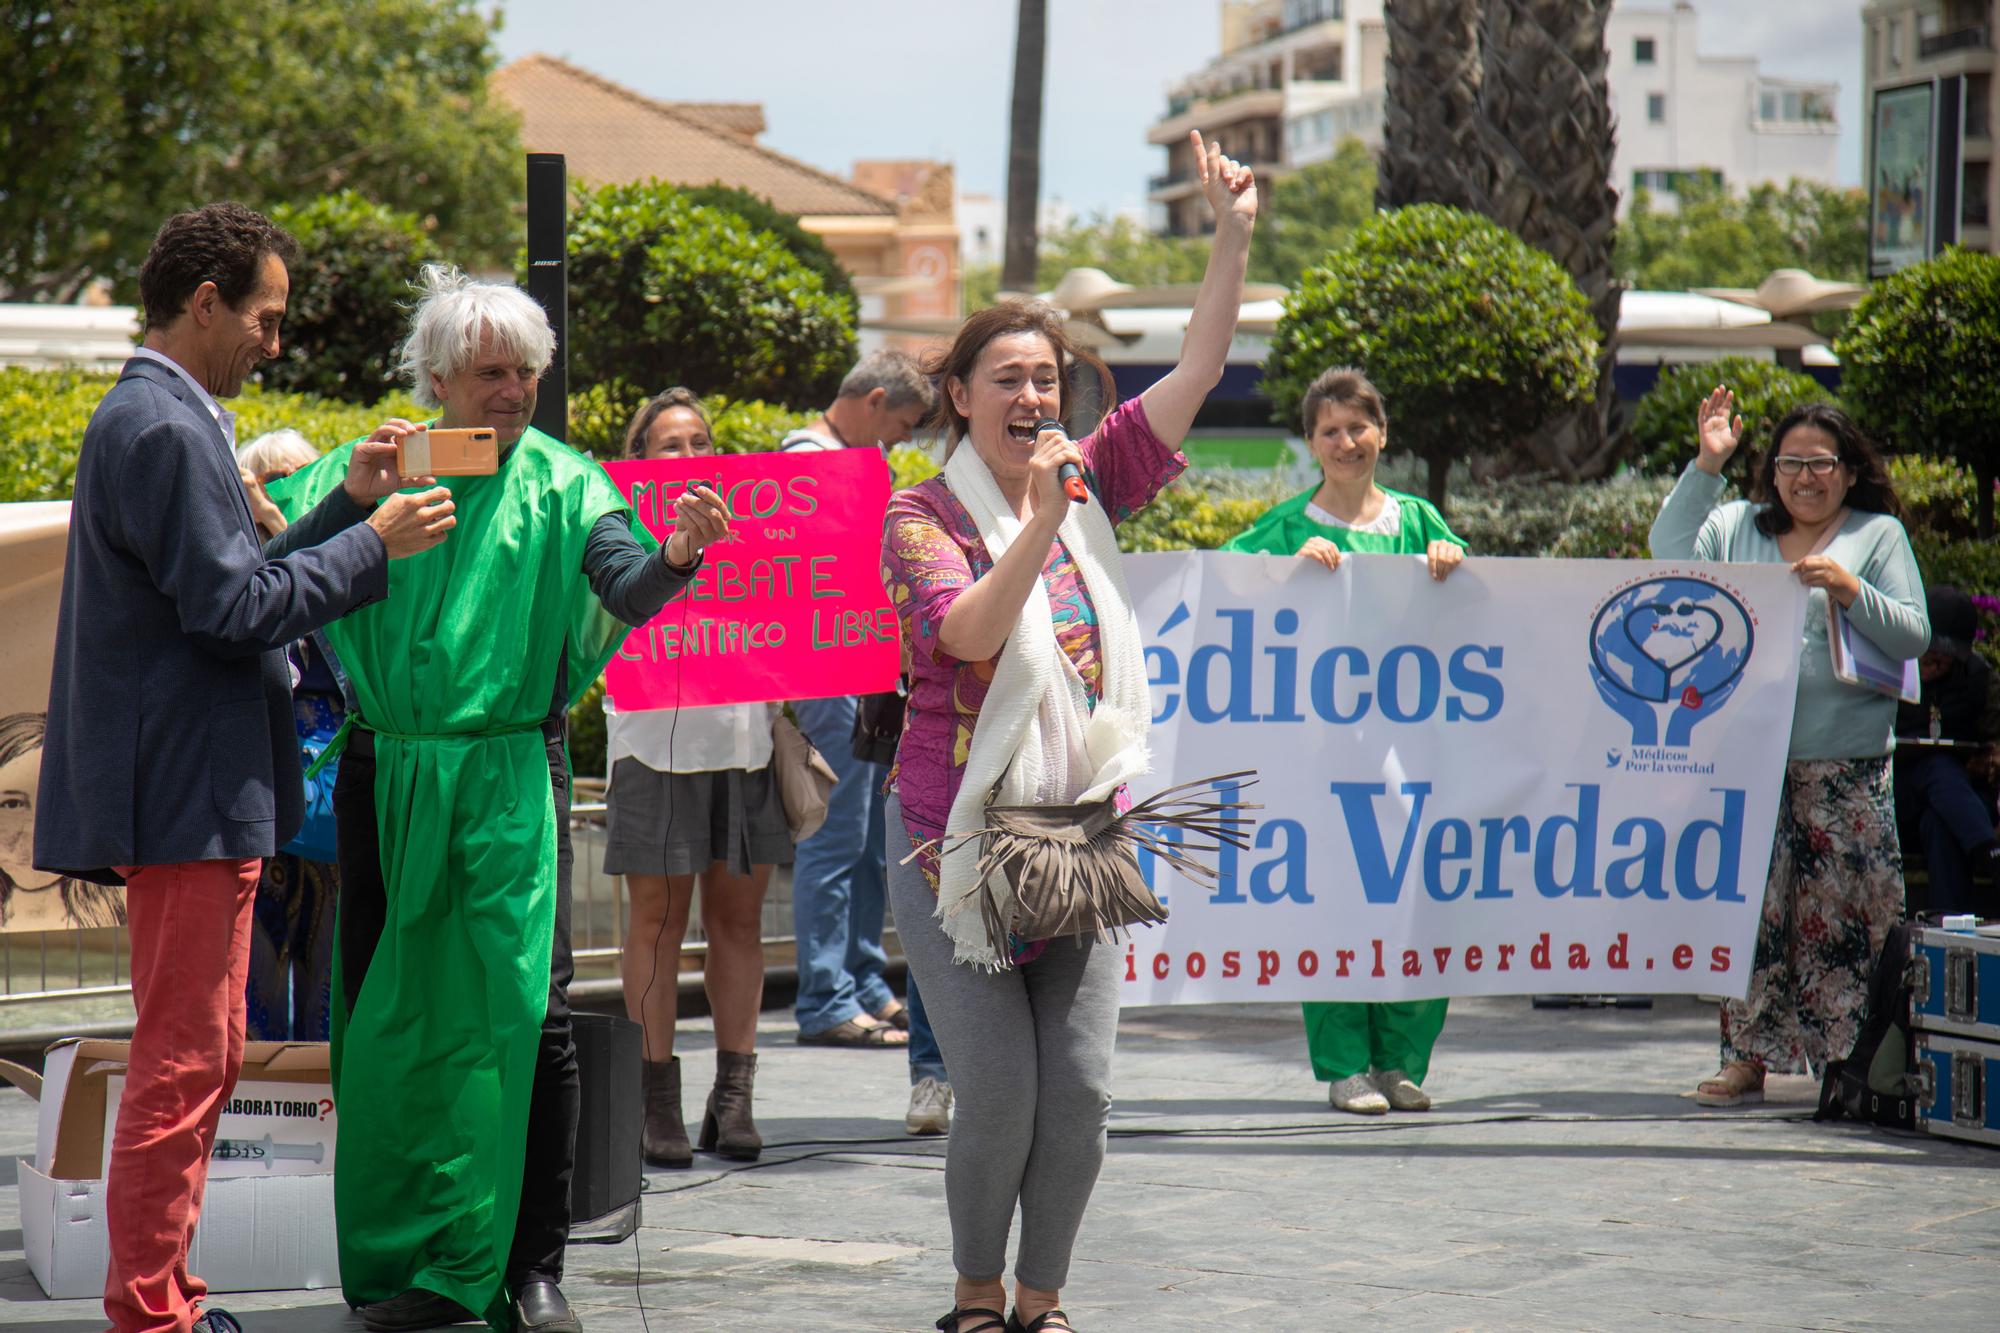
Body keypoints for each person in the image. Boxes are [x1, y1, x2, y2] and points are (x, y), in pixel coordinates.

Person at [270, 267, 732, 1333]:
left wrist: (676, 552)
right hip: (388, 775)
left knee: (533, 1019)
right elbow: (265, 582)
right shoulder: (364, 472)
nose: (513, 390)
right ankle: (400, 1263)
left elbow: (624, 583)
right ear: (438, 377)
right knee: (387, 1018)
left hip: (510, 780)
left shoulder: (568, 484)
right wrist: (351, 500)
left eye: (526, 371)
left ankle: (530, 1264)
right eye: (490, 372)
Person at [32, 201, 454, 1333]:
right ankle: (152, 1311)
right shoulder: (166, 426)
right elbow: (232, 609)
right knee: (184, 1059)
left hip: (189, 792)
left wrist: (344, 505)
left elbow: (236, 577)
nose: (275, 341)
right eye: (264, 317)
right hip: (188, 797)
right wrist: (376, 544)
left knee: (204, 1050)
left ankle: (163, 1298)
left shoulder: (161, 415)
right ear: (205, 301)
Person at [880, 130, 1257, 1333]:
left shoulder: (1088, 473)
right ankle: (974, 1295)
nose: (1032, 397)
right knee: (997, 1096)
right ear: (959, 394)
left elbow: (1198, 366)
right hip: (957, 843)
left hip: (1083, 831)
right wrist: (1041, 520)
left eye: (1046, 380)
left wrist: (1233, 233)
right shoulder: (920, 515)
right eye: (1006, 379)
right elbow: (967, 635)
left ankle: (1041, 1299)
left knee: (1081, 1093)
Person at [1651, 391, 1929, 1108]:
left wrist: (1849, 589)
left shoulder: (1877, 535)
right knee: (1751, 909)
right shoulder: (1734, 526)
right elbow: (1667, 556)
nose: (1807, 477)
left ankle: (1855, 1057)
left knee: (1850, 916)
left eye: (1822, 463)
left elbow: (1912, 636)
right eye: (1792, 463)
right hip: (1746, 760)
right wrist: (1708, 462)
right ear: (1771, 472)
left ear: (1848, 470)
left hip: (1848, 763)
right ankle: (1747, 1053)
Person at [1220, 366, 1464, 1115]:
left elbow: (1481, 605)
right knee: (1332, 900)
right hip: (1319, 755)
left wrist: (1455, 562)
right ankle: (1346, 1066)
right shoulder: (1290, 525)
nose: (1347, 441)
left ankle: (1402, 1061)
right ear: (1311, 442)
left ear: (1382, 434)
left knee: (1414, 897)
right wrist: (1280, 570)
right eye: (1331, 430)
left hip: (1411, 750)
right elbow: (1223, 579)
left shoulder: (1420, 520)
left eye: (1359, 427)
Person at [605, 388, 791, 1168]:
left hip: (744, 739)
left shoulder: (762, 523)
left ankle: (733, 1096)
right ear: (641, 459)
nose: (687, 454)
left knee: (738, 923)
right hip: (652, 742)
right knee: (655, 919)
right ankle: (656, 1100)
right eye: (669, 443)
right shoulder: (614, 525)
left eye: (699, 440)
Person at [780, 350, 934, 1058]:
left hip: (862, 664)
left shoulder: (842, 458)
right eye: (899, 424)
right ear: (873, 400)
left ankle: (861, 980)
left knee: (871, 839)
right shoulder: (808, 459)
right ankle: (824, 994)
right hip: (828, 665)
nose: (898, 440)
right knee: (839, 838)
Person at [233, 428, 349, 1041]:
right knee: (258, 983)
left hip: (334, 813)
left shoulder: (347, 564)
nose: (287, 493)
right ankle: (258, 1120)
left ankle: (329, 1120)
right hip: (264, 799)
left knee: (331, 980)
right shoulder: (234, 571)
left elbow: (348, 665)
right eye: (272, 482)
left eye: (301, 478)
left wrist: (293, 540)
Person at [1894, 584, 2000, 917]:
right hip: (1901, 792)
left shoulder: (1979, 682)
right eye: (1928, 648)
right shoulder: (1892, 672)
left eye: (1945, 652)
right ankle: (1992, 854)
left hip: (1960, 799)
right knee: (1935, 765)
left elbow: (1995, 743)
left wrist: (1986, 760)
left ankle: (1949, 930)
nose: (1933, 659)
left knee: (1940, 824)